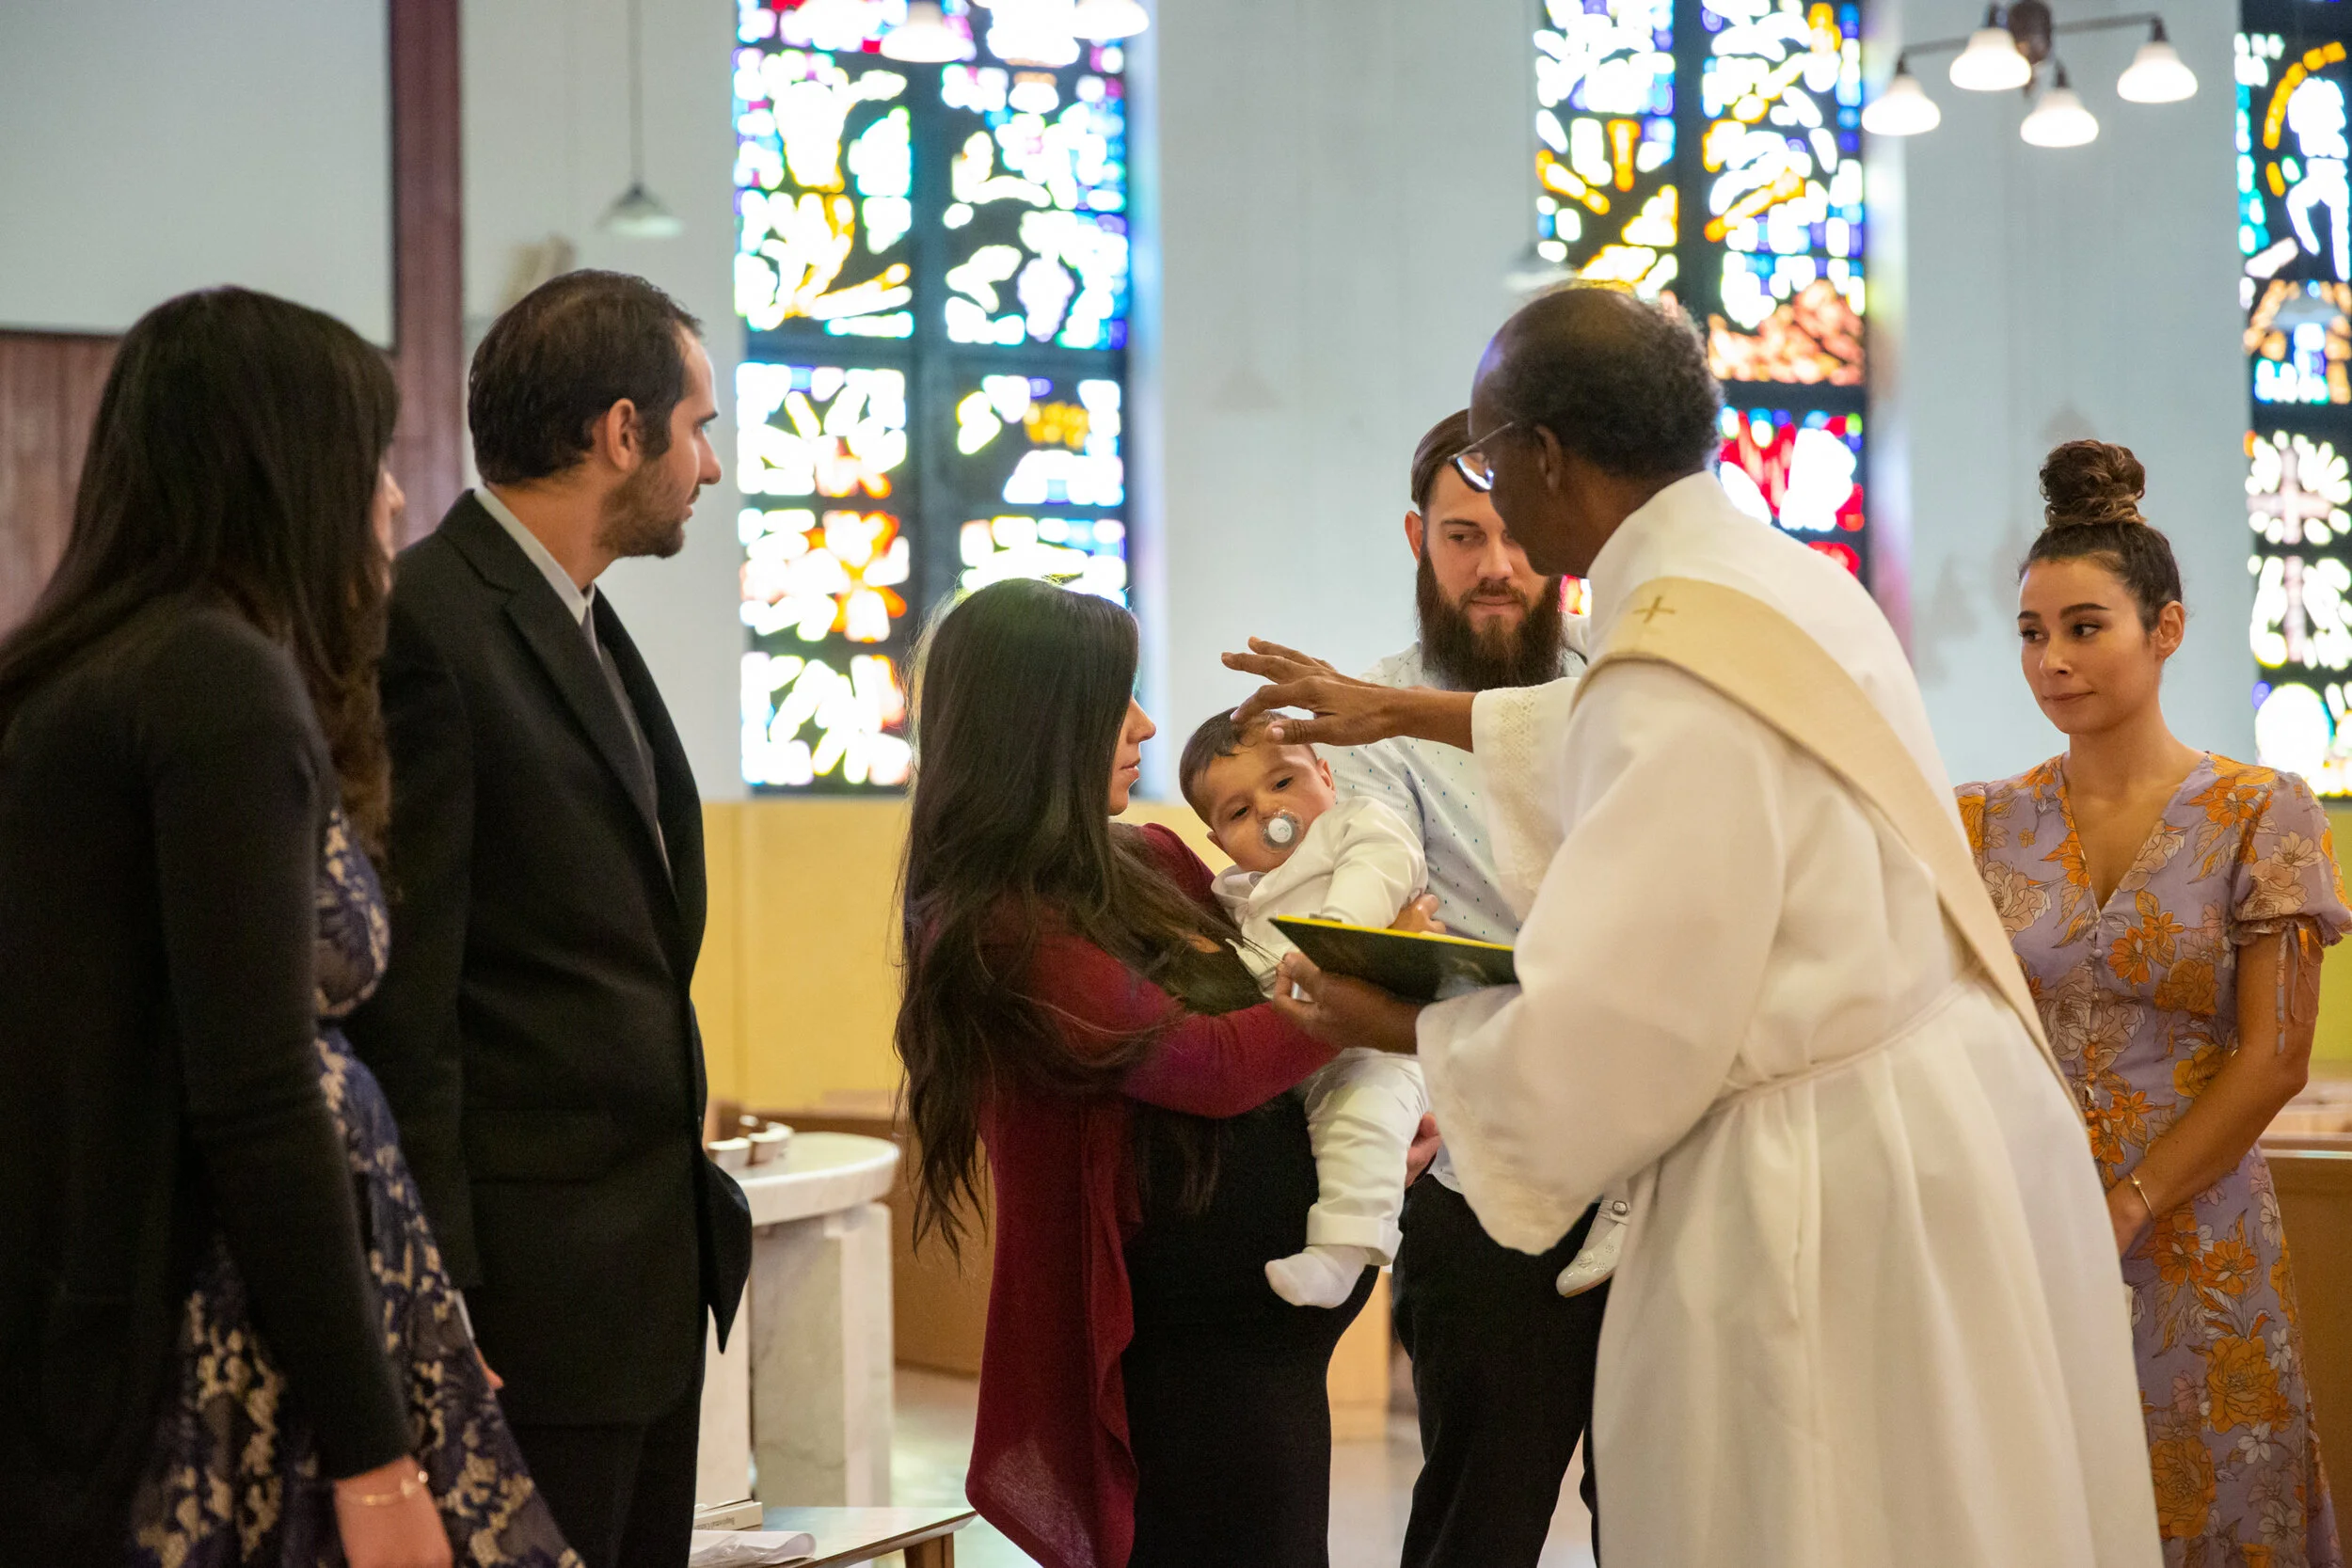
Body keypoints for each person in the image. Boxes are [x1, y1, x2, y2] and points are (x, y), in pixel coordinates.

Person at [1227, 284, 2161, 1566]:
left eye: (1493, 459)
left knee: (1807, 1523)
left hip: (1816, 1167)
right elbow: (1597, 729)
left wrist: (1397, 1024)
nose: (1493, 499)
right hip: (1930, 1121)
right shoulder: (1770, 581)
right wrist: (1404, 711)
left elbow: (1619, 1033)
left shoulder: (1665, 654)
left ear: (1546, 456)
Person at [0, 288, 572, 1567]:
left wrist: (412, 1315)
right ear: (287, 471)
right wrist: (377, 1453)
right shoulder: (212, 681)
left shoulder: (94, 668)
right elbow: (256, 1095)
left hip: (207, 1307)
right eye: (370, 458)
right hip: (218, 1349)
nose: (391, 499)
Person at [343, 271, 749, 1568]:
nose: (711, 465)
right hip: (530, 1294)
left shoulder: (573, 615)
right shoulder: (432, 623)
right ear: (621, 431)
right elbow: (408, 996)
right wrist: (448, 1292)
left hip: (632, 1275)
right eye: (696, 427)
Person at [895, 578, 1383, 1568]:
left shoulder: (1153, 859)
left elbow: (1275, 993)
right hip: (1177, 1375)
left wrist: (1384, 1106)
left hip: (1268, 1352)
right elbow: (1214, 1062)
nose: (1147, 724)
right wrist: (1372, 992)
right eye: (1115, 699)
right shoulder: (1000, 928)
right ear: (1041, 722)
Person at [1959, 440, 2346, 1565]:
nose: (2051, 660)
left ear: (2163, 628)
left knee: (2208, 1503)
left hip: (2196, 1230)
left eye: (2084, 627)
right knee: (2036, 1509)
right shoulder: (1979, 820)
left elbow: (2275, 1056)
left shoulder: (2260, 809)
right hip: (2024, 1219)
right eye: (2031, 632)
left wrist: (2127, 1203)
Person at [1320, 407, 1613, 1567]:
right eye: (1462, 536)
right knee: (1479, 1518)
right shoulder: (1369, 719)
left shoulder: (1624, 683)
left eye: (1517, 537)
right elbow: (1379, 901)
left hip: (1659, 1162)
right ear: (1417, 540)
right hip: (1483, 1167)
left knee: (1671, 1507)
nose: (1496, 565)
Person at [1176, 710, 1431, 1308]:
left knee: (1363, 1122)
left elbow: (1384, 862)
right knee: (1321, 1139)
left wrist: (1338, 932)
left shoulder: (1353, 825)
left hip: (1373, 1044)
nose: (1269, 809)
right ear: (1219, 841)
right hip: (1292, 1057)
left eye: (1284, 782)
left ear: (1326, 776)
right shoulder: (1234, 895)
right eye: (1239, 812)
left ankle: (1340, 1256)